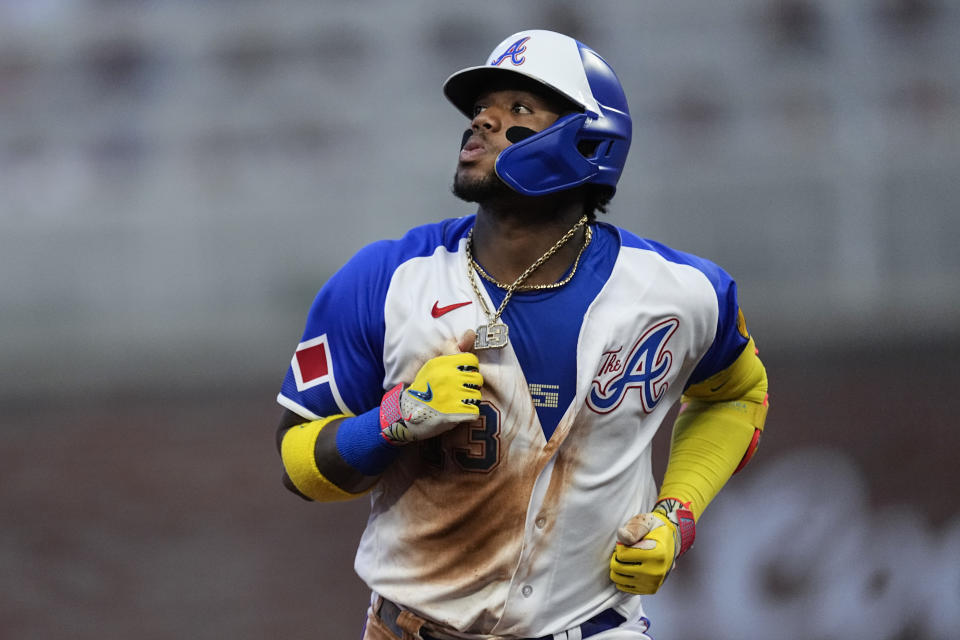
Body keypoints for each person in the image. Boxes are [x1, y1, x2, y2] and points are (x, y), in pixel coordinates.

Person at [275, 29, 769, 640]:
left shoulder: (682, 292)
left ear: (588, 140)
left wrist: (676, 515)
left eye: (518, 110)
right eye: (481, 108)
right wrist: (392, 419)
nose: (482, 119)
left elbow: (737, 396)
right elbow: (297, 465)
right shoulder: (384, 279)